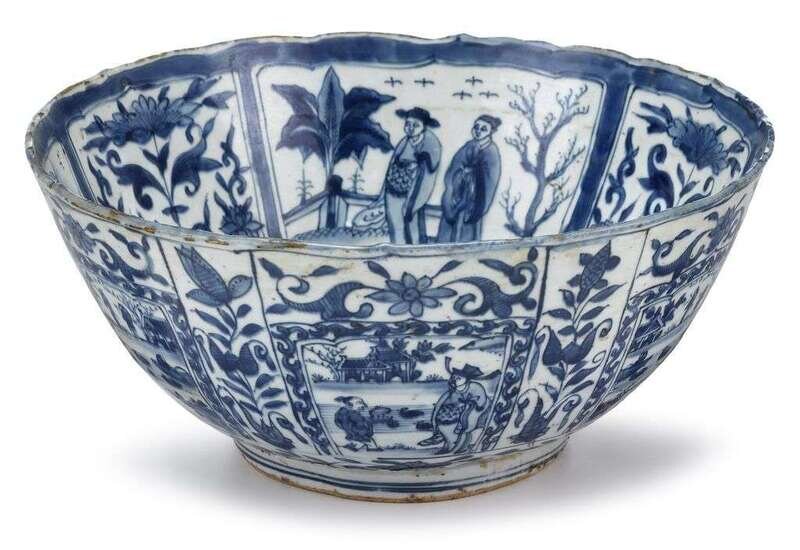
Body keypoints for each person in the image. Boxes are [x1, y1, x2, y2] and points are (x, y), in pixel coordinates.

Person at [437, 115, 502, 243]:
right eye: (476, 127)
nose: (478, 131)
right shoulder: (469, 145)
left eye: (483, 129)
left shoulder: (492, 151)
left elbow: (490, 179)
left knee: (466, 231)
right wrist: (459, 176)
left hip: (474, 199)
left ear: (491, 132)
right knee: (449, 221)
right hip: (458, 193)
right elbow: (454, 166)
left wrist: (472, 175)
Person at [382, 107, 442, 244]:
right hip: (394, 189)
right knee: (395, 222)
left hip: (413, 191)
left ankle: (413, 248)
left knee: (412, 221)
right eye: (408, 124)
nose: (410, 128)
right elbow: (393, 164)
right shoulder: (404, 142)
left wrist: (423, 160)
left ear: (424, 127)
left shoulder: (431, 143)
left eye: (415, 125)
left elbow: (431, 168)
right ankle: (398, 247)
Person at [418, 359, 489, 454]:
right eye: (454, 378)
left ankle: (455, 446)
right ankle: (445, 440)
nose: (455, 380)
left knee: (462, 424)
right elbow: (440, 404)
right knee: (444, 419)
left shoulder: (475, 387)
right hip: (457, 411)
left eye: (459, 378)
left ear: (467, 379)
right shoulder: (453, 391)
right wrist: (434, 418)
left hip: (475, 410)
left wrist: (470, 405)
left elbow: (481, 403)